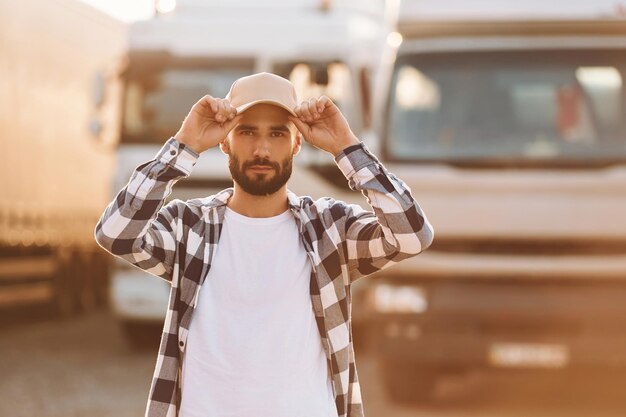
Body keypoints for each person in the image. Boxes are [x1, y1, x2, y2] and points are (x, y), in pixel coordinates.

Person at [94, 72, 434, 417]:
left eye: (276, 133)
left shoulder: (329, 228)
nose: (261, 149)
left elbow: (412, 235)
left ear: (296, 143)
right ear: (225, 141)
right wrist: (184, 145)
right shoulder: (190, 226)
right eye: (247, 132)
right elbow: (115, 233)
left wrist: (347, 147)